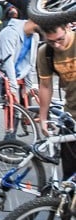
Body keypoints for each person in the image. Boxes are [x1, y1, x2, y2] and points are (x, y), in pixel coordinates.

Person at [0, 17, 41, 134]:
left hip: (14, 72)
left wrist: (28, 86)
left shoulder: (35, 37)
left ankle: (10, 142)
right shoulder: (11, 32)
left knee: (16, 106)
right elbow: (8, 60)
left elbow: (30, 63)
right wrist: (14, 86)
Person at [36, 20, 76, 179]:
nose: (56, 45)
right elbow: (45, 86)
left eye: (59, 39)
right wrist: (43, 118)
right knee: (69, 177)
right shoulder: (45, 52)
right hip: (71, 116)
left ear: (68, 27)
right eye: (51, 41)